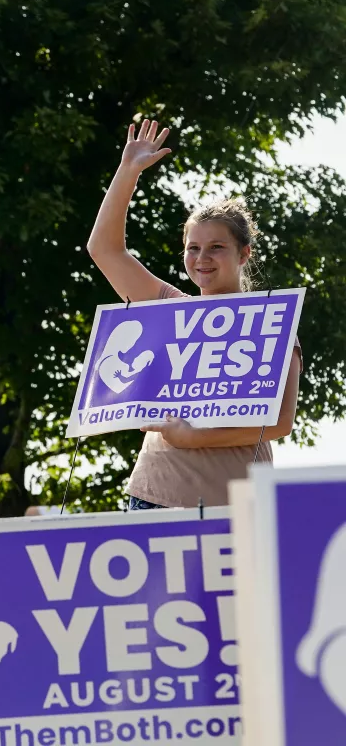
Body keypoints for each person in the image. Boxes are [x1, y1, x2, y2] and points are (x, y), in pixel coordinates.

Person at [86, 120, 302, 509]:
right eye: (193, 248)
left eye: (216, 247)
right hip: (153, 497)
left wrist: (194, 437)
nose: (202, 258)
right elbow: (104, 249)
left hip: (237, 504)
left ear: (244, 253)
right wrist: (128, 171)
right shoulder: (169, 308)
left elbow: (279, 422)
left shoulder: (271, 322)